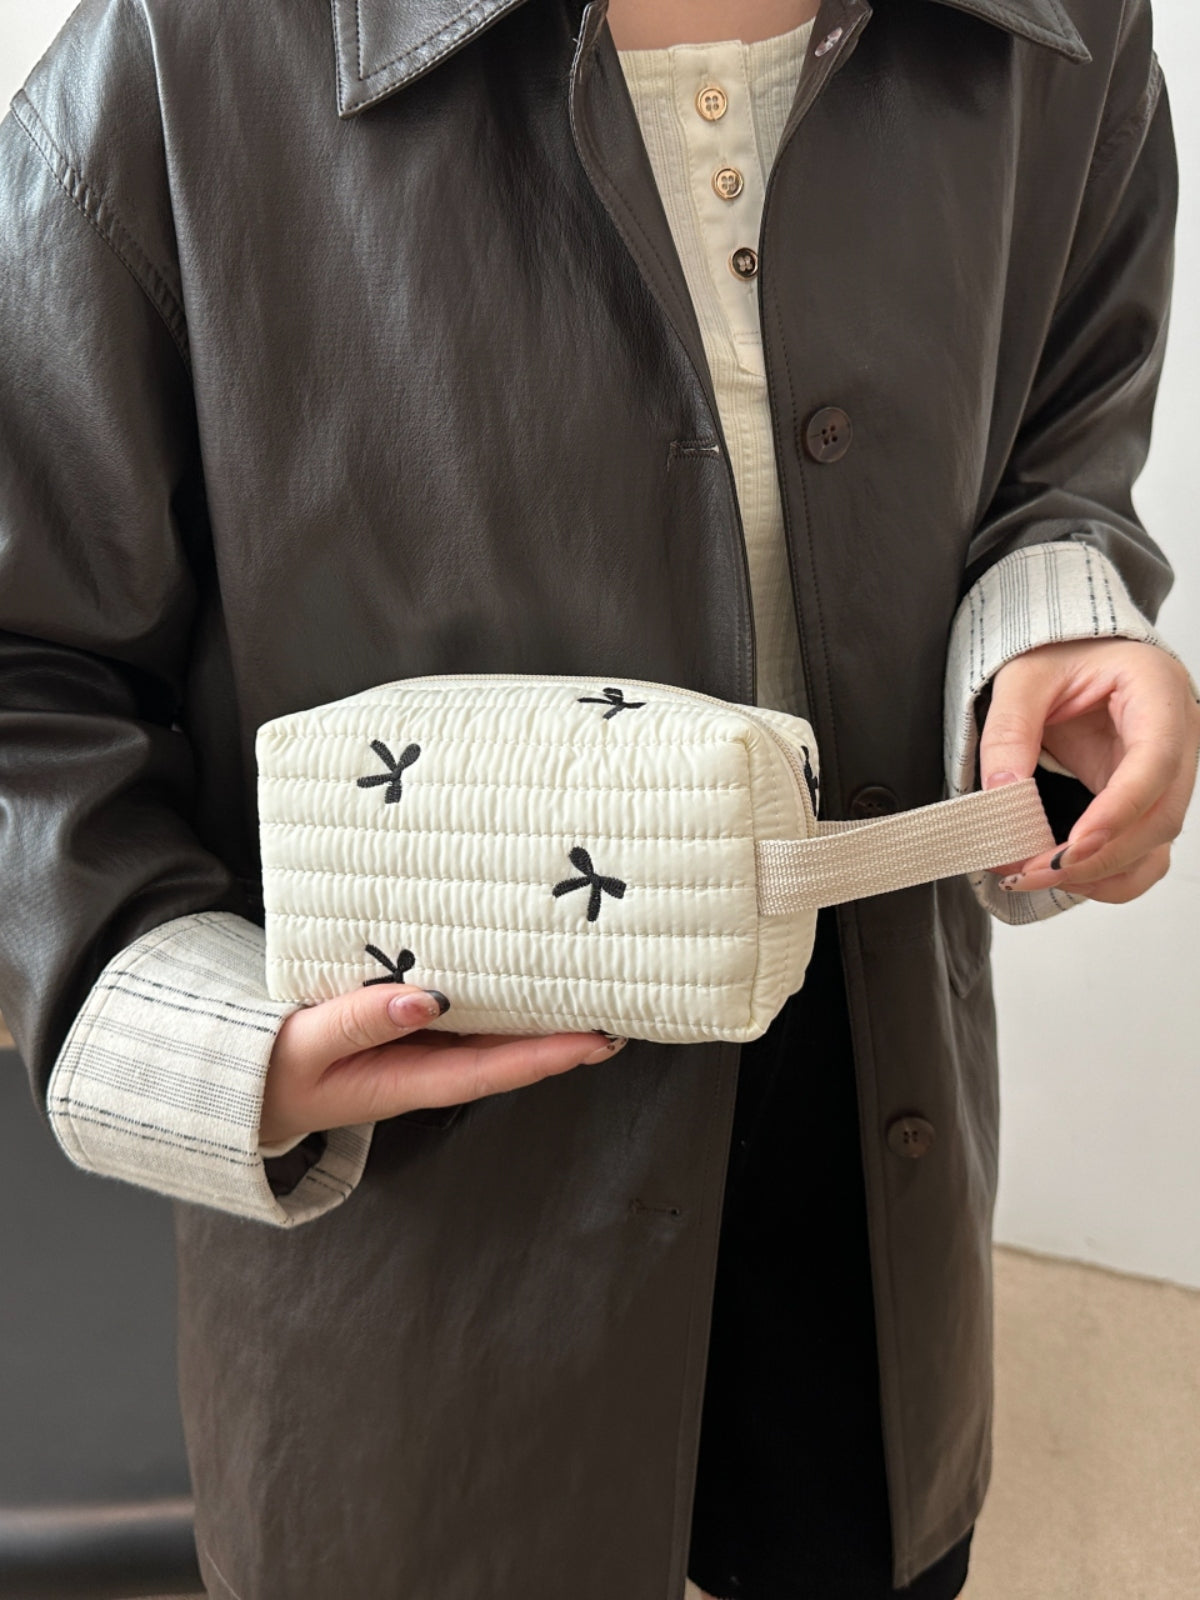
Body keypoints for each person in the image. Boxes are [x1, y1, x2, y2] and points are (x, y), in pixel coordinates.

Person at [1, 0, 1197, 1596]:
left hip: (871, 1132)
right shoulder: (183, 56)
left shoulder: (1071, 35)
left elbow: (1059, 436)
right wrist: (221, 1045)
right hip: (418, 1233)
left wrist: (1063, 615)